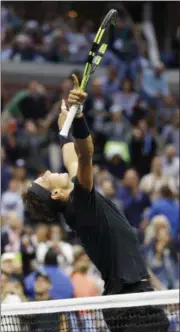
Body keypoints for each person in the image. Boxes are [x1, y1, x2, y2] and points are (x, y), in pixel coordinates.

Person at [23, 74, 169, 332]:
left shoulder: (74, 203)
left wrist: (65, 124)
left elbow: (71, 156)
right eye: (45, 179)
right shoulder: (80, 202)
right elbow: (85, 153)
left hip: (131, 296)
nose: (46, 172)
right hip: (132, 304)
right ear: (56, 194)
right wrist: (78, 119)